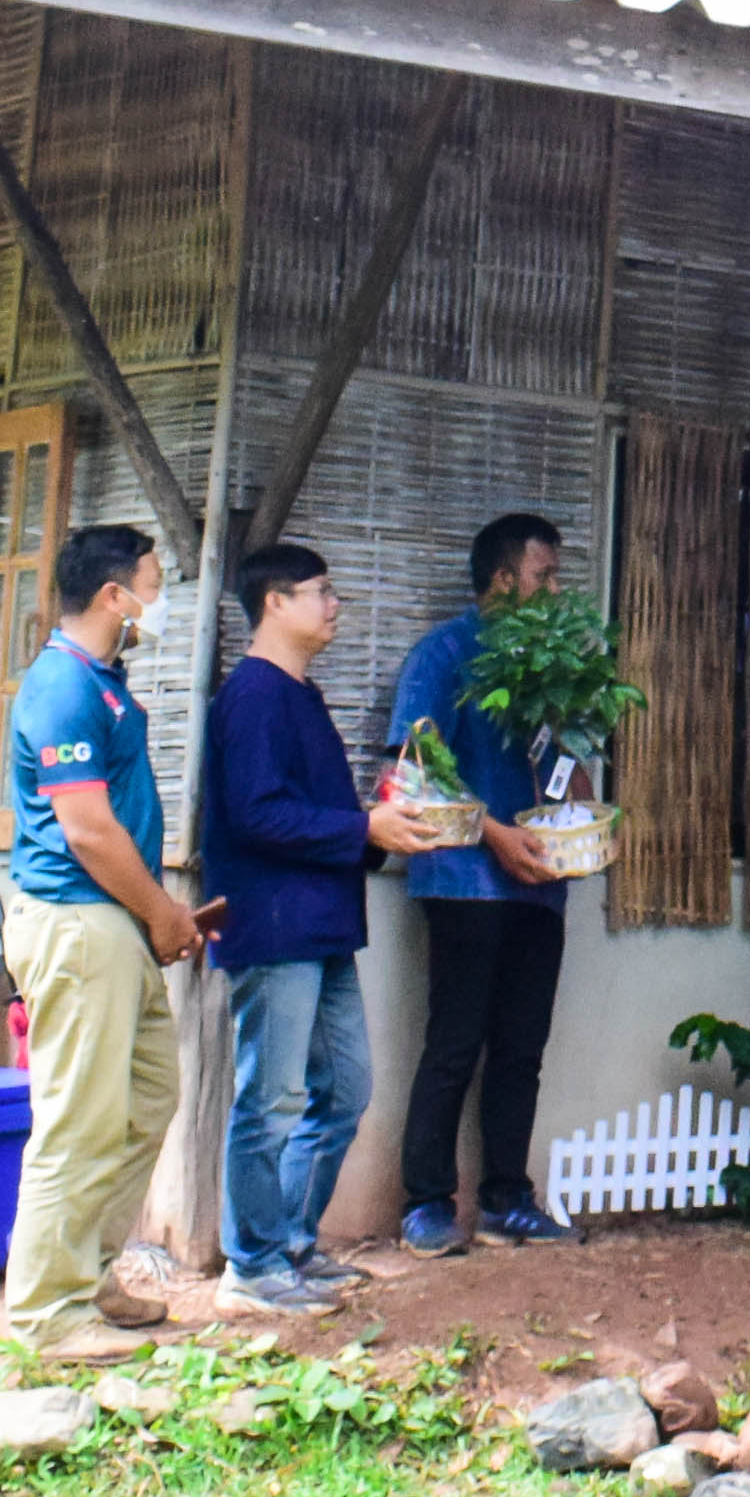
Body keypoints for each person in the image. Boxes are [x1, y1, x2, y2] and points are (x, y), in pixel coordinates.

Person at [1, 523, 224, 1364]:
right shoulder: (62, 686)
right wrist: (165, 913)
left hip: (114, 922)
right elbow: (87, 830)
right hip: (79, 919)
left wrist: (154, 918)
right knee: (77, 1121)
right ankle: (47, 1316)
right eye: (155, 584)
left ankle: (88, 1276)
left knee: (144, 1101)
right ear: (112, 595)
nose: (158, 601)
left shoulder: (102, 682)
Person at [200, 540, 415, 1317]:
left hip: (320, 922)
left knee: (346, 1089)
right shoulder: (253, 696)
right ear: (275, 603)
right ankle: (250, 1264)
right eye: (321, 591)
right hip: (272, 919)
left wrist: (375, 822)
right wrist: (365, 828)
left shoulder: (302, 694)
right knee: (271, 1097)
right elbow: (256, 815)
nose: (334, 606)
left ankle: (291, 1241)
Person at [378, 513, 582, 1260]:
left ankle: (506, 1199)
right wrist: (497, 834)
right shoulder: (444, 653)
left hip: (540, 885)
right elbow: (419, 763)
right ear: (502, 581)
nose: (556, 591)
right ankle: (426, 1203)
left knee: (522, 1047)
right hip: (465, 879)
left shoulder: (551, 668)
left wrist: (581, 808)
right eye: (544, 577)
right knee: (455, 1042)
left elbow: (565, 766)